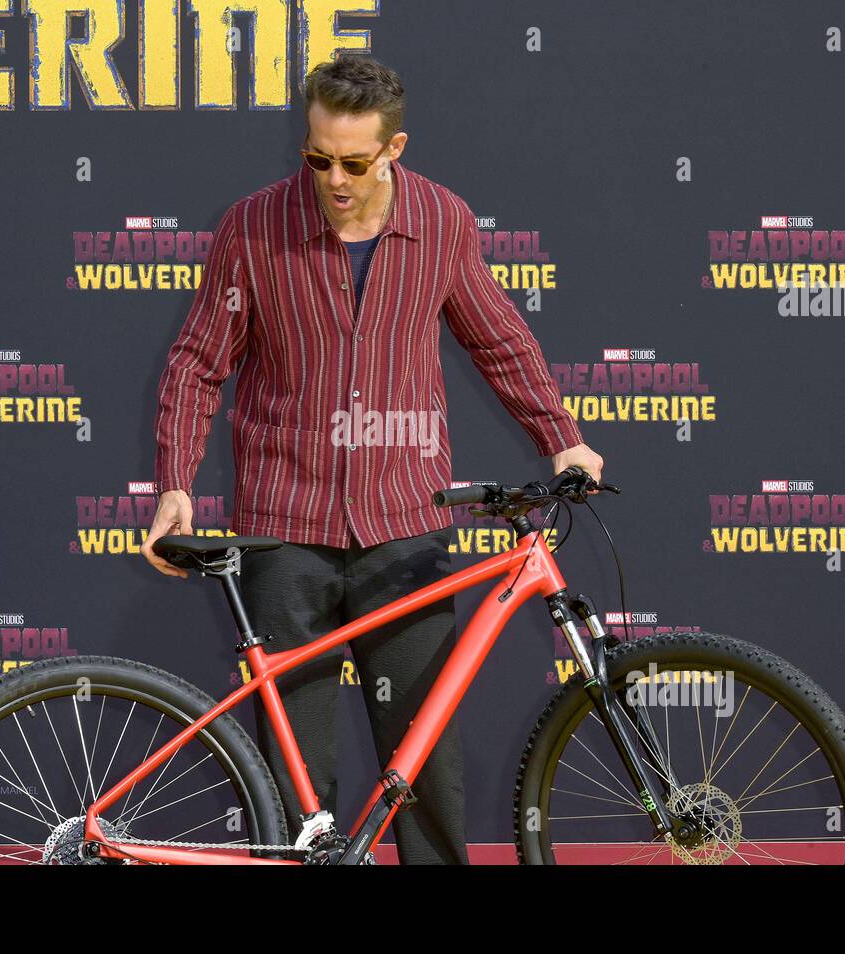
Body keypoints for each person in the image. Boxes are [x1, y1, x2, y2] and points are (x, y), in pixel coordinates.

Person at [142, 55, 604, 864]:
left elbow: (498, 339)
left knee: (425, 764)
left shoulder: (445, 221)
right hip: (286, 533)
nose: (335, 178)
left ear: (395, 147)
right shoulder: (253, 228)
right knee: (297, 779)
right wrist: (174, 481)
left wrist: (560, 434)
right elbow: (197, 362)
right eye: (317, 158)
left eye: (355, 162)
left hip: (405, 526)